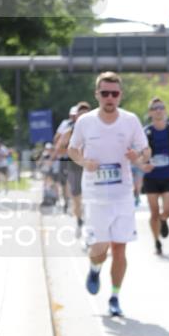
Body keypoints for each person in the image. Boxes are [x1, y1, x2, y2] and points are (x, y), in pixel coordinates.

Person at [68, 72, 149, 317]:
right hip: (95, 195)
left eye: (114, 93)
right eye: (105, 93)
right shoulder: (86, 122)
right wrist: (84, 162)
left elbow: (146, 150)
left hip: (122, 194)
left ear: (120, 95)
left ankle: (114, 297)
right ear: (97, 95)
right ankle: (94, 269)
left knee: (120, 249)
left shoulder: (130, 120)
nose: (110, 98)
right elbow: (72, 149)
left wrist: (138, 156)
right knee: (100, 249)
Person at [140, 97, 169, 255]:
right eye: (155, 108)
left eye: (161, 107)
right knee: (154, 212)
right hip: (151, 177)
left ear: (165, 111)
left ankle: (164, 220)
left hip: (168, 175)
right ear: (150, 112)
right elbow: (139, 152)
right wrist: (143, 164)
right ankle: (156, 242)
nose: (158, 110)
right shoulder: (146, 132)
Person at [55, 102, 91, 236]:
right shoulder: (69, 131)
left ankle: (90, 224)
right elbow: (59, 149)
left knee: (91, 197)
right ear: (76, 117)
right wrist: (73, 151)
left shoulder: (97, 128)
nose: (83, 117)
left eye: (86, 114)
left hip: (91, 167)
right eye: (80, 115)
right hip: (74, 166)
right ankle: (79, 221)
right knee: (77, 197)